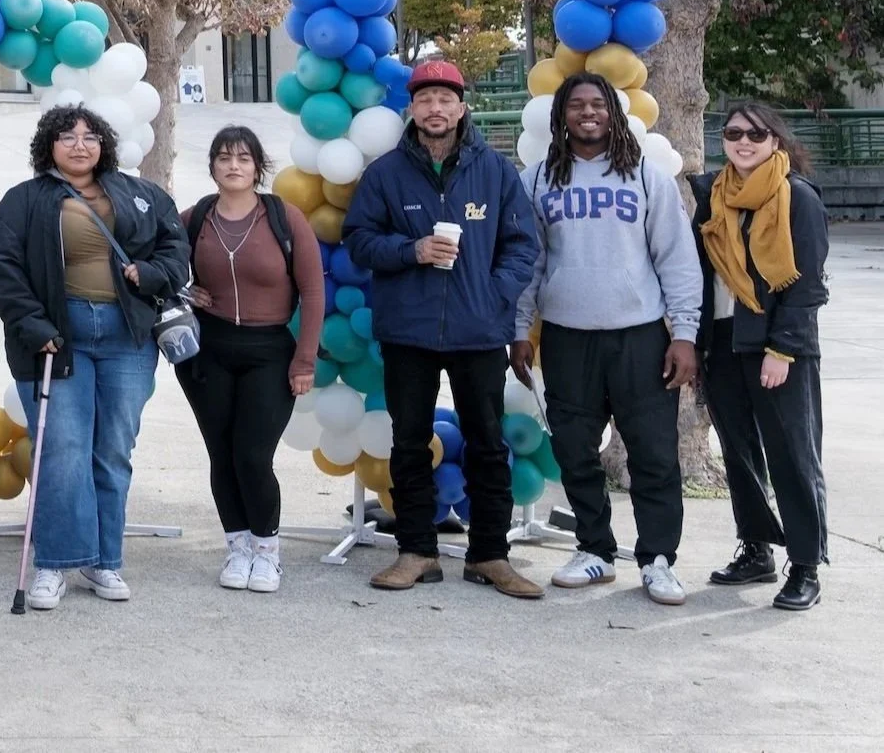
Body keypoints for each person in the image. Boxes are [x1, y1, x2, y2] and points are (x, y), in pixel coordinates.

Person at [343, 59, 542, 598]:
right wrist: (411, 251)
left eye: (445, 99)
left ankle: (490, 556)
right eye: (424, 99)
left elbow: (523, 246)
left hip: (479, 332)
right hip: (407, 330)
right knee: (408, 443)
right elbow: (359, 240)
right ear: (412, 108)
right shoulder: (385, 174)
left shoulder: (495, 171)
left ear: (461, 108)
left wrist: (494, 293)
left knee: (488, 442)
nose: (435, 108)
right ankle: (416, 552)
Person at [0, 105, 191, 610]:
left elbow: (176, 247)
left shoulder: (139, 193)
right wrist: (35, 326)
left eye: (90, 136)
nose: (80, 145)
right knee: (62, 451)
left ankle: (104, 561)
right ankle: (54, 563)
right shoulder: (24, 201)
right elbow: (3, 266)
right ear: (48, 145)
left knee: (113, 450)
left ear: (105, 145)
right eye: (68, 136)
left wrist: (152, 272)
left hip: (128, 336)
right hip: (59, 339)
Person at [511, 74, 700, 606]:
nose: (587, 113)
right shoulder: (538, 179)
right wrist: (520, 328)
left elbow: (678, 260)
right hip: (568, 337)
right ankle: (594, 549)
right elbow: (530, 262)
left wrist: (684, 335)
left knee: (653, 453)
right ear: (562, 115)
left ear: (613, 114)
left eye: (598, 104)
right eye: (577, 105)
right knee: (573, 449)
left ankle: (658, 559)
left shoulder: (645, 175)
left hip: (639, 337)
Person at [695, 102, 830, 611]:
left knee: (792, 454)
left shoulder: (796, 196)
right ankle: (756, 549)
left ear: (776, 140)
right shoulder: (712, 195)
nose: (744, 141)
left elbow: (808, 286)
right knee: (739, 451)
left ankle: (805, 565)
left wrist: (783, 349)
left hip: (778, 349)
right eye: (733, 132)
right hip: (724, 345)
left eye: (756, 133)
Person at [177, 126, 323, 594]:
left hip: (270, 352)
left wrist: (304, 360)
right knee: (221, 453)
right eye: (223, 158)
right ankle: (237, 547)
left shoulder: (284, 217)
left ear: (258, 167)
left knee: (253, 455)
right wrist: (183, 289)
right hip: (208, 352)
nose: (233, 165)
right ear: (213, 167)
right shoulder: (197, 217)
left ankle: (266, 551)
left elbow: (314, 292)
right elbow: (156, 257)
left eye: (243, 158)